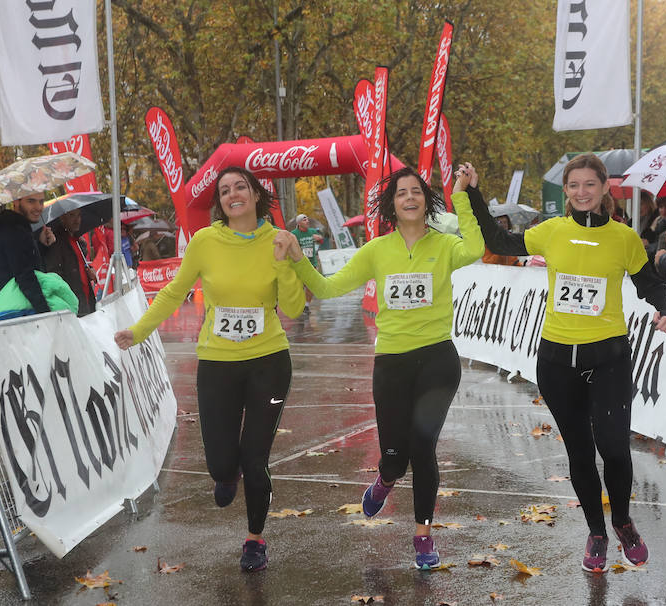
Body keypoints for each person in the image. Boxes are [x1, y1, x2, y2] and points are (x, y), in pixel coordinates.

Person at [467, 153, 666, 573]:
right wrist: (473, 194)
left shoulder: (624, 238)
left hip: (610, 359)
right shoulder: (550, 232)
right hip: (557, 361)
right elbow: (499, 242)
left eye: (590, 184)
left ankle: (622, 523)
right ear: (566, 191)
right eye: (574, 185)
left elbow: (649, 283)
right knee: (580, 453)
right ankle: (596, 533)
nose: (582, 192)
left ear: (604, 189)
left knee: (615, 449)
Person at [275, 164, 484, 570]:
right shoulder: (375, 250)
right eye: (402, 193)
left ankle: (423, 533)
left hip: (438, 360)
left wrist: (461, 193)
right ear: (392, 204)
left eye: (417, 192)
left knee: (423, 449)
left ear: (427, 202)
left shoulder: (444, 245)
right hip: (391, 363)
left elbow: (475, 248)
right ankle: (386, 478)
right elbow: (329, 288)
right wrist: (300, 260)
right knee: (395, 457)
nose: (410, 198)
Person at [114, 166, 305, 573]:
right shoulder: (204, 241)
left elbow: (292, 308)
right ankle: (225, 473)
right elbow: (174, 291)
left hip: (268, 362)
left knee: (256, 460)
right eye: (224, 190)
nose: (233, 194)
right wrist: (140, 330)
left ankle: (255, 539)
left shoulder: (278, 240)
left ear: (256, 195)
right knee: (221, 464)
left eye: (241, 187)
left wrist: (286, 264)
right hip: (218, 364)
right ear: (220, 202)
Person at [0, 192, 55, 314]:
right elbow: (25, 276)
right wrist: (46, 313)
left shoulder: (15, 227)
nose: (38, 207)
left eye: (41, 201)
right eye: (31, 201)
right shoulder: (14, 231)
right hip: (21, 311)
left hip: (16, 306)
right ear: (16, 201)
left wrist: (41, 245)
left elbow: (23, 264)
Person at [42, 209, 97, 316]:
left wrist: (88, 271)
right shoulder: (56, 241)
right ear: (62, 218)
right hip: (72, 303)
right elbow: (55, 273)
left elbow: (77, 265)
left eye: (79, 215)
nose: (77, 220)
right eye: (72, 215)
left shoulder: (78, 241)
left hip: (86, 301)